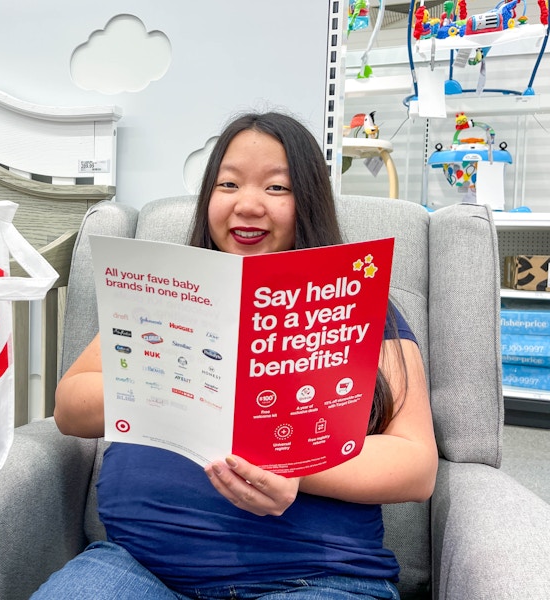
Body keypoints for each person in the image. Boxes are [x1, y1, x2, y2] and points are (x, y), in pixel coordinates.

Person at [33, 112, 438, 600]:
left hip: (313, 577)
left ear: (308, 202)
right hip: (140, 567)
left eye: (277, 188)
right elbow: (70, 410)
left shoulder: (358, 305)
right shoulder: (163, 295)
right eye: (228, 184)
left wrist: (292, 465)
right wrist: (168, 377)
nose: (247, 205)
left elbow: (416, 466)